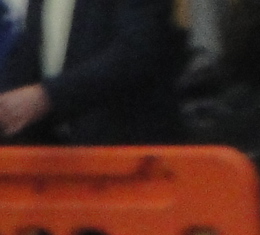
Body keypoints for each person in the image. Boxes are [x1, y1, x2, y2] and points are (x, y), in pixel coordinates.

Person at [0, 0, 183, 144]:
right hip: (52, 156)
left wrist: (48, 96)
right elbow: (32, 53)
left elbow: (138, 52)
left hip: (128, 153)